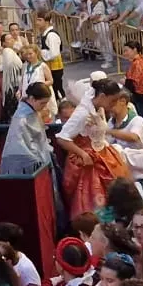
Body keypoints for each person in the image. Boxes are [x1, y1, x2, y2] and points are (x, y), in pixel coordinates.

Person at [58, 79, 131, 216]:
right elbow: (62, 138)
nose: (114, 105)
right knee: (94, 200)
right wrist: (83, 154)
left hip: (104, 153)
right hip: (89, 162)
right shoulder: (82, 113)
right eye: (112, 101)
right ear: (102, 96)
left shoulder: (98, 106)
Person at [0, 81, 54, 175]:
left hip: (39, 157)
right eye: (42, 103)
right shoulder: (21, 119)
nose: (44, 106)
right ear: (32, 99)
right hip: (24, 164)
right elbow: (20, 145)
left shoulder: (32, 111)